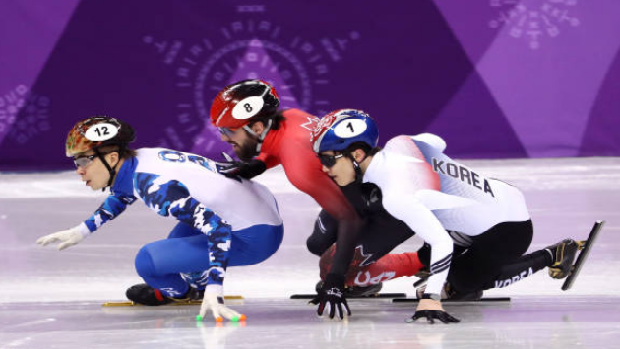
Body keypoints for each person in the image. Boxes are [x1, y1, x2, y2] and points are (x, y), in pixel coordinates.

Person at [311, 108, 584, 324]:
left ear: (357, 154)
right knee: (429, 260)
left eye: (328, 159)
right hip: (494, 199)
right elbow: (436, 141)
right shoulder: (401, 143)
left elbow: (442, 242)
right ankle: (458, 275)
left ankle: (554, 254)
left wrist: (430, 299)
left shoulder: (396, 194)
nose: (324, 168)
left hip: (507, 227)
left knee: (464, 283)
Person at [210, 80, 424, 319]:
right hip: (360, 189)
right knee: (318, 244)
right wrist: (258, 165)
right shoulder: (290, 117)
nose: (223, 138)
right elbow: (278, 145)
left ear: (258, 128)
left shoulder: (299, 168)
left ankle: (426, 261)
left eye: (228, 131)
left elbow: (351, 220)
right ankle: (364, 279)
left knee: (332, 268)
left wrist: (336, 279)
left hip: (394, 205)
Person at [36, 116, 284, 322]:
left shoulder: (155, 187)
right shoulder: (142, 159)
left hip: (255, 236)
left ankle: (182, 292)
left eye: (83, 161)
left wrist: (215, 288)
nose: (78, 170)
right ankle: (197, 283)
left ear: (112, 158)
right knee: (175, 241)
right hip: (258, 207)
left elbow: (217, 229)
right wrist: (82, 230)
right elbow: (122, 194)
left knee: (148, 261)